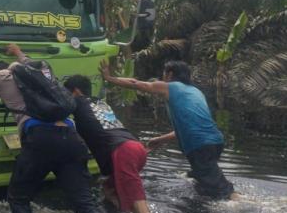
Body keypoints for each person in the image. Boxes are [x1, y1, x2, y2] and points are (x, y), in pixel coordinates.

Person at [0, 44, 114, 213]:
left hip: (40, 139)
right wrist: (18, 51)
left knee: (18, 198)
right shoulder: (41, 73)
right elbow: (27, 60)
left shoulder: (3, 77)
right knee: (86, 204)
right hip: (72, 138)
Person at [99, 59, 237, 200]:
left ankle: (238, 201)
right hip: (215, 141)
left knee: (220, 188)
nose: (163, 77)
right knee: (203, 179)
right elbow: (187, 127)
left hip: (199, 144)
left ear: (170, 74)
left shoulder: (171, 87)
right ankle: (209, 195)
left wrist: (110, 78)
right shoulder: (196, 92)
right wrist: (159, 140)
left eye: (164, 73)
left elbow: (137, 84)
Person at [63, 75, 162, 213]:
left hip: (123, 151)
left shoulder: (77, 101)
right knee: (109, 191)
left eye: (66, 93)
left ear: (75, 92)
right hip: (135, 147)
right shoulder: (101, 103)